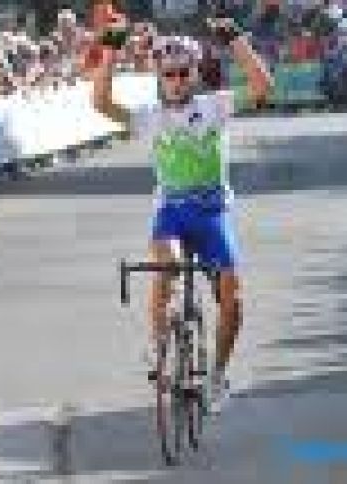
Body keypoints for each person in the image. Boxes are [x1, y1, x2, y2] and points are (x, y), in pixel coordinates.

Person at [90, 17, 272, 413]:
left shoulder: (214, 106)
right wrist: (110, 50)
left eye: (183, 73)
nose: (175, 81)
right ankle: (159, 345)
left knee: (232, 295)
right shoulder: (152, 115)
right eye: (168, 74)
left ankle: (217, 376)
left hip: (211, 211)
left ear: (195, 73)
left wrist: (236, 40)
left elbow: (262, 88)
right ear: (159, 77)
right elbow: (101, 103)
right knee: (167, 265)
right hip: (171, 211)